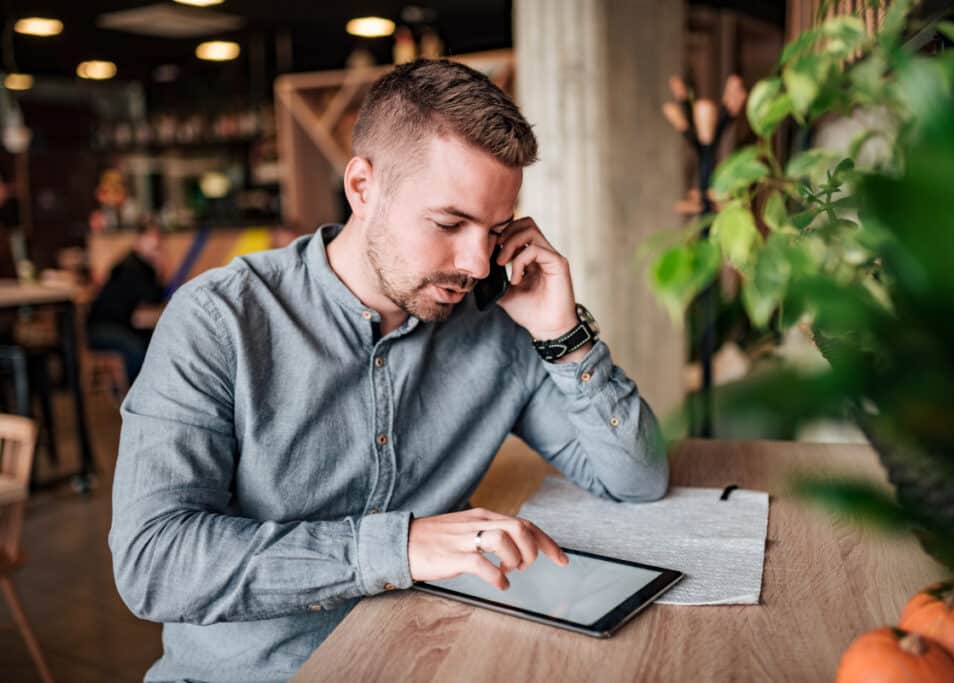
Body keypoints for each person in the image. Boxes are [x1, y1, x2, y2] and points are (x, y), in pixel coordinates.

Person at [109, 59, 668, 682]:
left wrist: (564, 336)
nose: (478, 264)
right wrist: (398, 547)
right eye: (450, 223)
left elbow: (637, 479)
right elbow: (153, 563)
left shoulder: (495, 327)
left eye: (495, 229)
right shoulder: (219, 321)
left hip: (432, 659)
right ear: (362, 187)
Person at [86, 222, 165, 382]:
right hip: (102, 328)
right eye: (150, 238)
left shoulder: (142, 266)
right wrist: (159, 267)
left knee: (157, 343)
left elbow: (156, 299)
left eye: (158, 238)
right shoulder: (130, 267)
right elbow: (150, 300)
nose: (156, 243)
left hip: (122, 325)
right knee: (137, 351)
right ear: (138, 241)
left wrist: (158, 268)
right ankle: (136, 399)